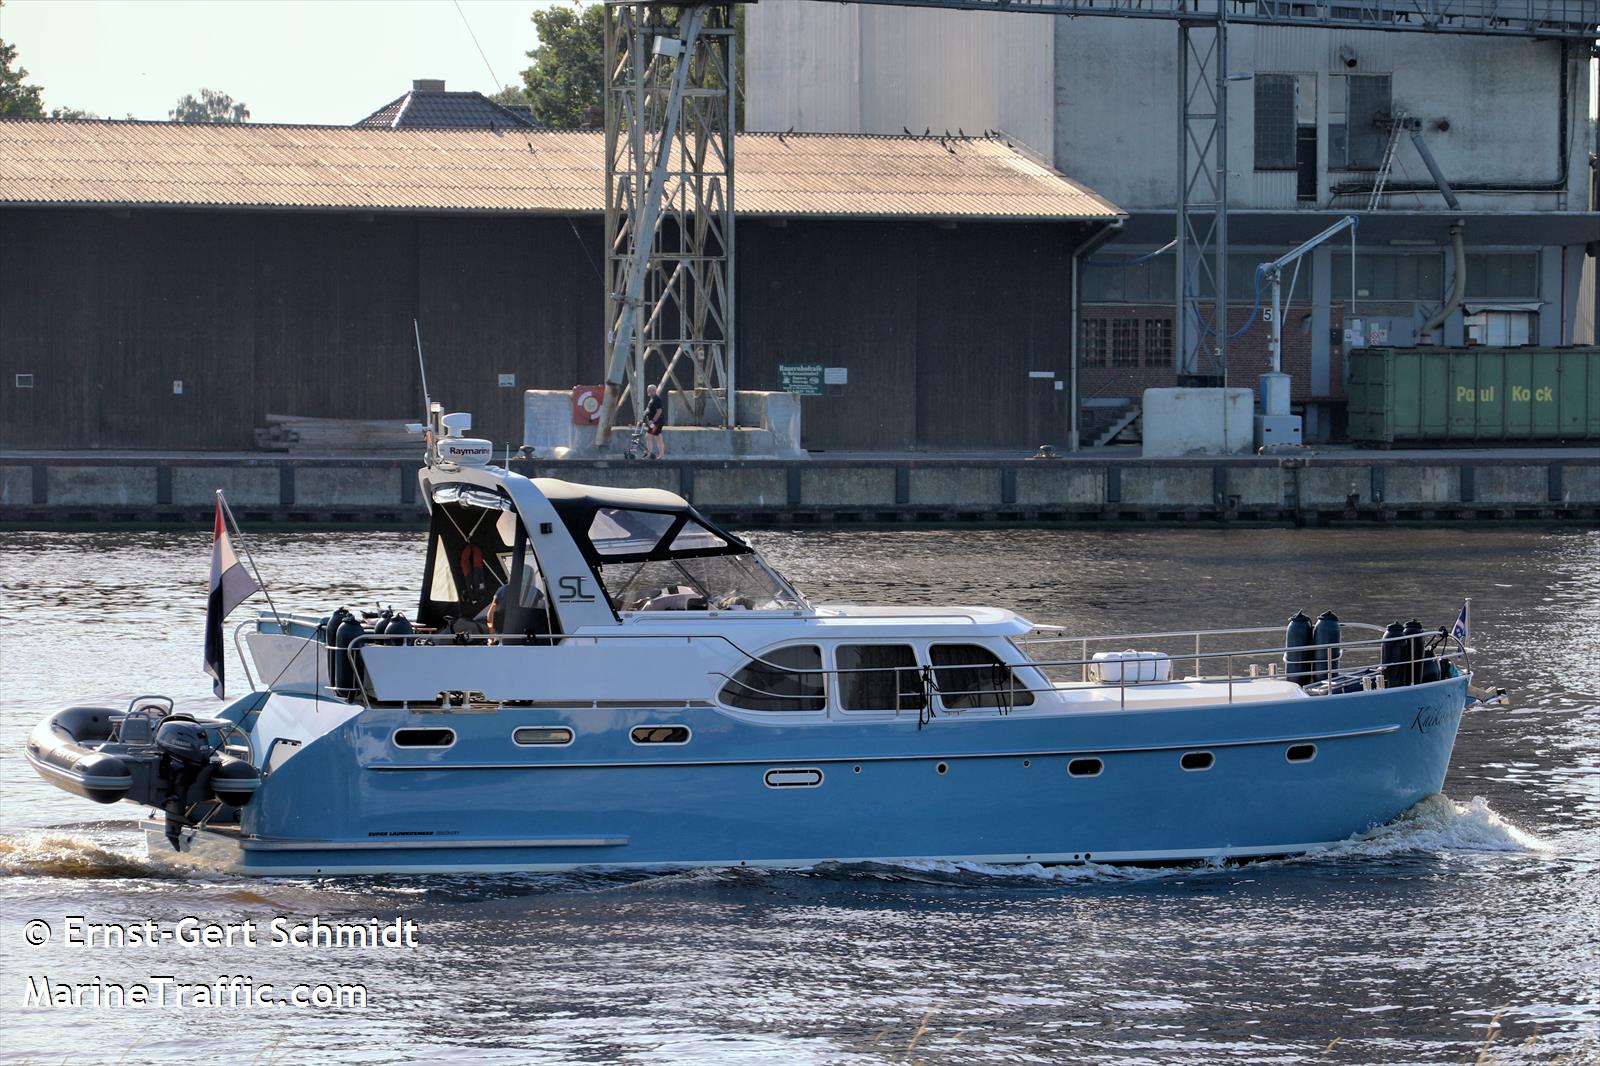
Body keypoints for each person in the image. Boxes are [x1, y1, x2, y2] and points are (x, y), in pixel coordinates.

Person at [643, 384, 667, 460]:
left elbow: (659, 411)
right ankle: (661, 455)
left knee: (648, 436)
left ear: (653, 391)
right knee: (658, 438)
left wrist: (653, 421)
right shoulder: (653, 399)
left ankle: (649, 454)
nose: (648, 391)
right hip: (656, 422)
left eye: (649, 390)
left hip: (656, 423)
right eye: (648, 390)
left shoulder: (656, 399)